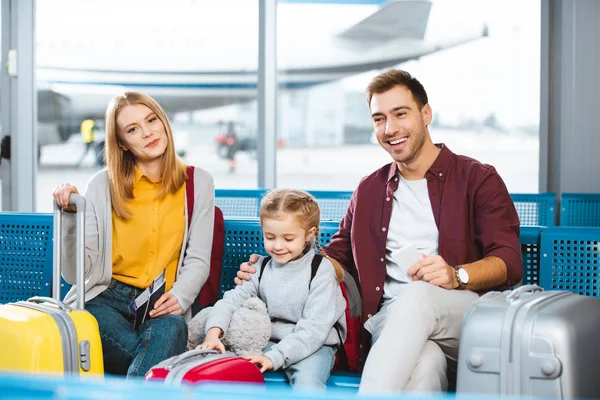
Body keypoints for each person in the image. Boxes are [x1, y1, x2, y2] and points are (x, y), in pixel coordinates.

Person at [235, 69, 523, 394]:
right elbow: (336, 259)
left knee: (416, 295)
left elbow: (509, 260)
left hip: (464, 323)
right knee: (426, 364)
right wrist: (274, 265)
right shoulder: (370, 189)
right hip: (390, 328)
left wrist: (457, 275)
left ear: (426, 114)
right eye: (378, 119)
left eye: (400, 114)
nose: (389, 129)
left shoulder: (477, 179)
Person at [53, 91, 215, 378]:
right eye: (132, 129)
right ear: (122, 144)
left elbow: (198, 259)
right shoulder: (103, 185)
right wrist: (70, 218)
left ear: (163, 121)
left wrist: (181, 295)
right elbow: (75, 274)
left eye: (151, 120)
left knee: (173, 328)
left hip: (161, 301)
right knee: (103, 329)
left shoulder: (198, 182)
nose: (147, 133)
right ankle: (157, 377)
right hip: (105, 298)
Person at [199, 189, 347, 390]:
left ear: (308, 235)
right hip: (267, 341)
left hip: (313, 347)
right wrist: (213, 333)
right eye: (270, 237)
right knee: (230, 372)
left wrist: (273, 357)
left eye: (288, 239)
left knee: (308, 385)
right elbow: (231, 301)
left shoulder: (321, 271)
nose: (278, 246)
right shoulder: (259, 267)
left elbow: (314, 330)